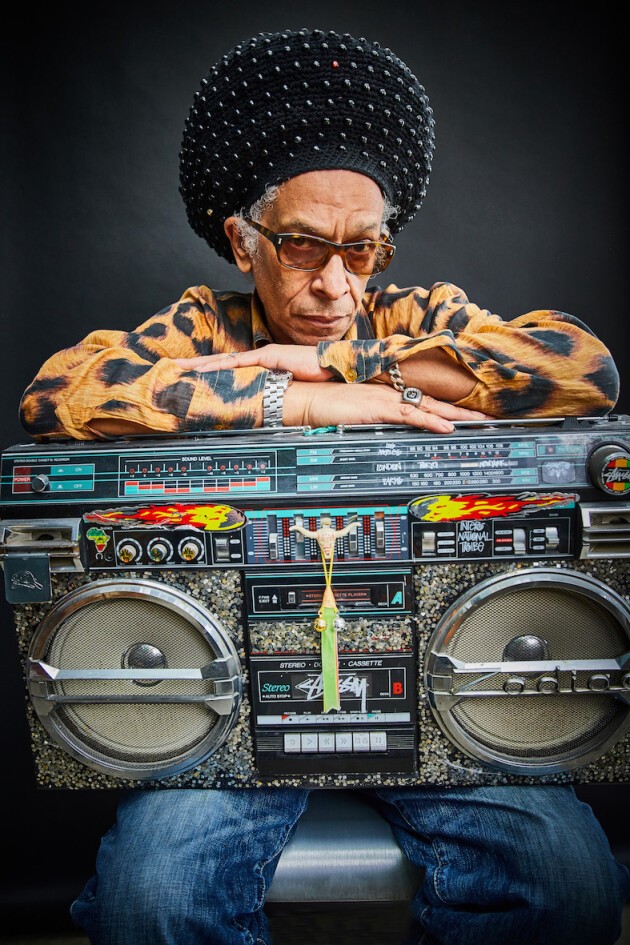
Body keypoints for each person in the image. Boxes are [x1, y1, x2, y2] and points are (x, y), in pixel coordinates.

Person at [19, 27, 628, 945]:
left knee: (566, 880)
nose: (336, 285)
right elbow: (59, 392)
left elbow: (582, 366)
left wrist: (346, 367)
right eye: (303, 247)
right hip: (229, 717)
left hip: (445, 707)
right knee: (156, 889)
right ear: (243, 241)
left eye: (363, 251)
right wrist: (288, 399)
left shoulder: (419, 316)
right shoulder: (204, 327)